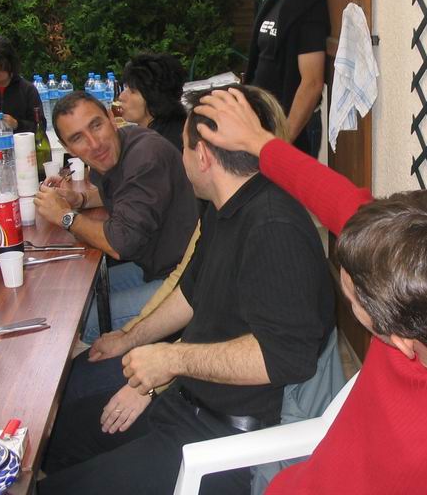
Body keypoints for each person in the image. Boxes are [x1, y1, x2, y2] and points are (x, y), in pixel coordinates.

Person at [193, 88, 427, 495]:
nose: (348, 297)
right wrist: (256, 140)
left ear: (402, 342)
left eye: (353, 301)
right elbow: (335, 197)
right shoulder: (426, 283)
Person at [38, 84, 334, 495]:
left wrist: (171, 360)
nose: (180, 157)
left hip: (223, 443)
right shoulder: (222, 209)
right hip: (185, 403)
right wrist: (131, 338)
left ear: (204, 156)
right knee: (53, 439)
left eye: (183, 147)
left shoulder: (273, 227)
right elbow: (189, 294)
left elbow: (284, 357)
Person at [33, 91, 197, 343]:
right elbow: (127, 192)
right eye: (78, 138)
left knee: (76, 322)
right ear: (67, 148)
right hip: (154, 265)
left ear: (111, 118)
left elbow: (120, 244)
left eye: (96, 125)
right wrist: (80, 200)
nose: (94, 144)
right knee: (70, 295)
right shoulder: (121, 146)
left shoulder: (146, 156)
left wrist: (65, 216)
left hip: (186, 280)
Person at [244, 0, 329, 158]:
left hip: (291, 132)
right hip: (265, 127)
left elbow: (312, 83)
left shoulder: (309, 2)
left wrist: (281, 144)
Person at [118, 52, 188, 151]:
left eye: (132, 91)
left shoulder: (158, 147)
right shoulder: (175, 126)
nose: (121, 97)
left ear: (154, 97)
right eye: (126, 88)